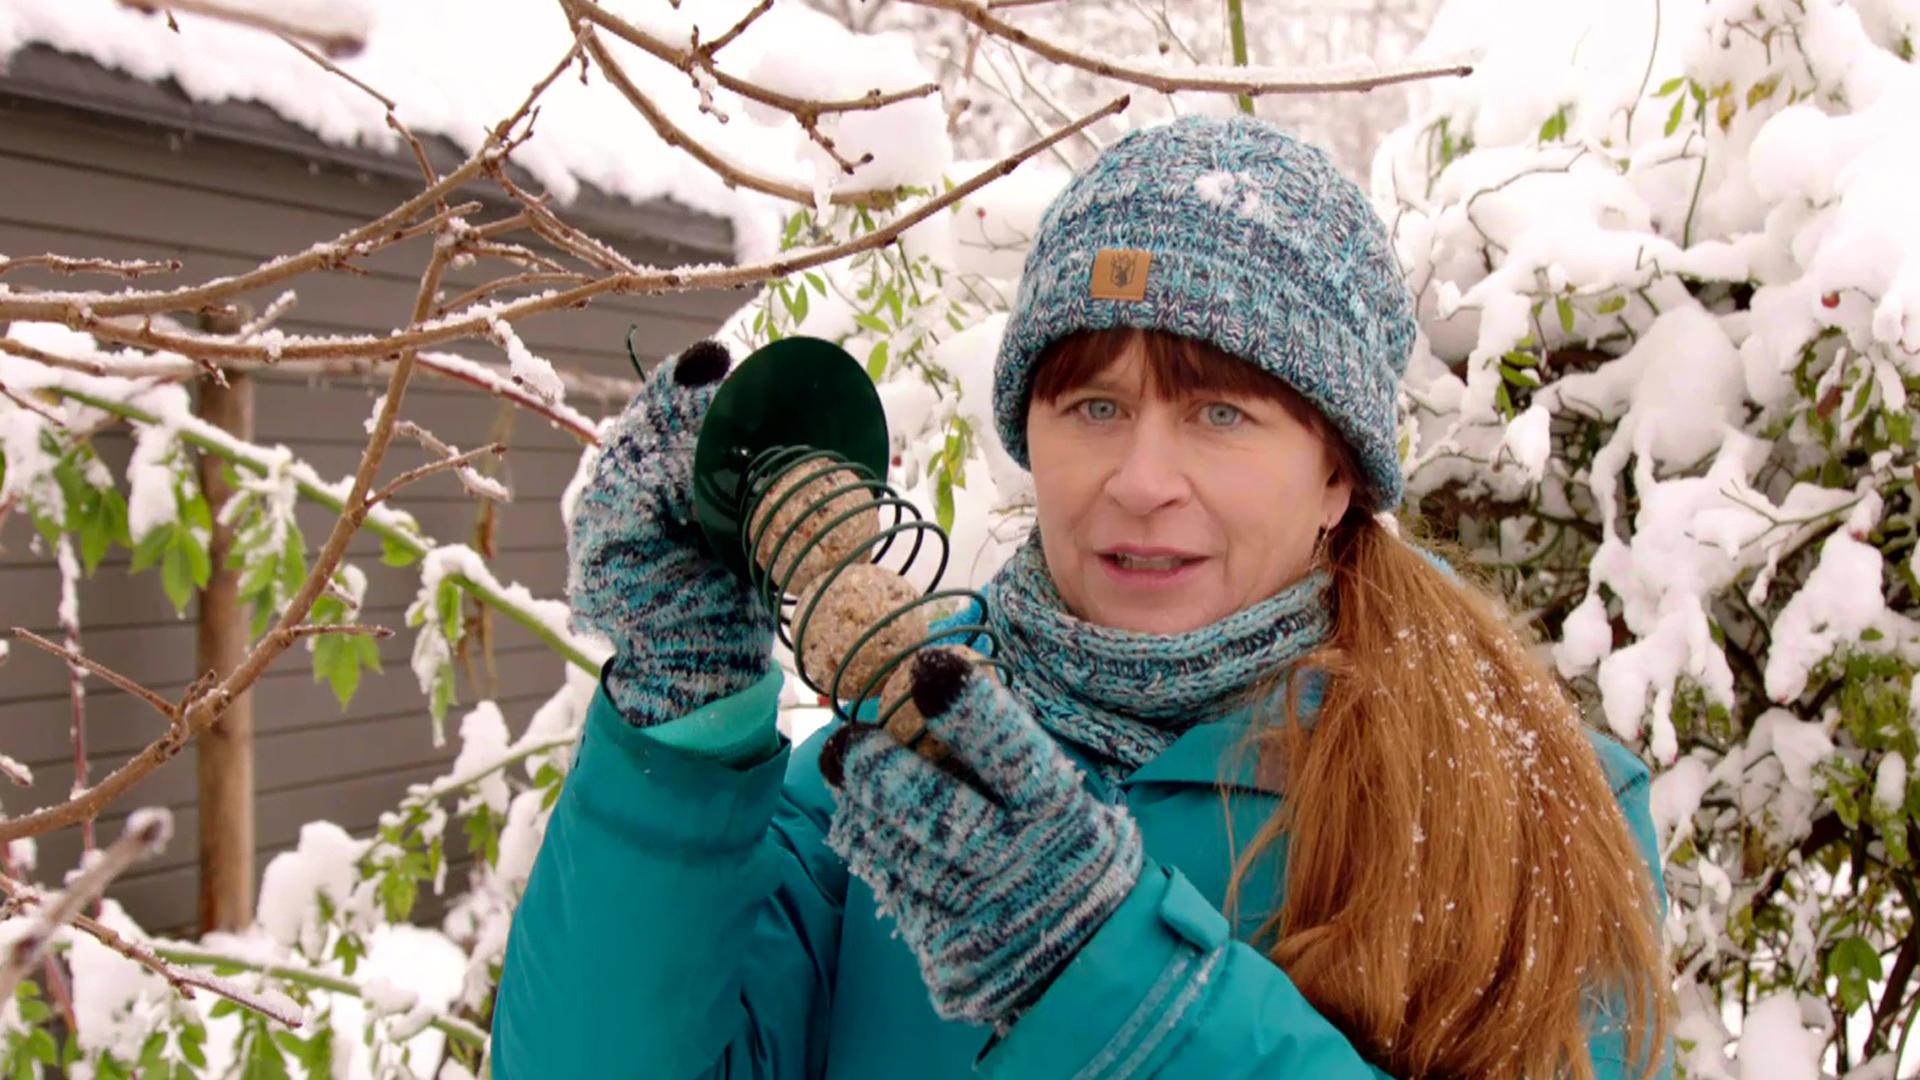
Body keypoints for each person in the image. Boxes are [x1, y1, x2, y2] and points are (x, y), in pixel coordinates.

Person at [490, 114, 1673, 1079]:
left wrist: (1099, 980)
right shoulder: (895, 772)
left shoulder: (1520, 799)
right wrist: (681, 729)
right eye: (1093, 407)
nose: (1141, 482)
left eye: (1221, 413)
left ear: (1337, 474)